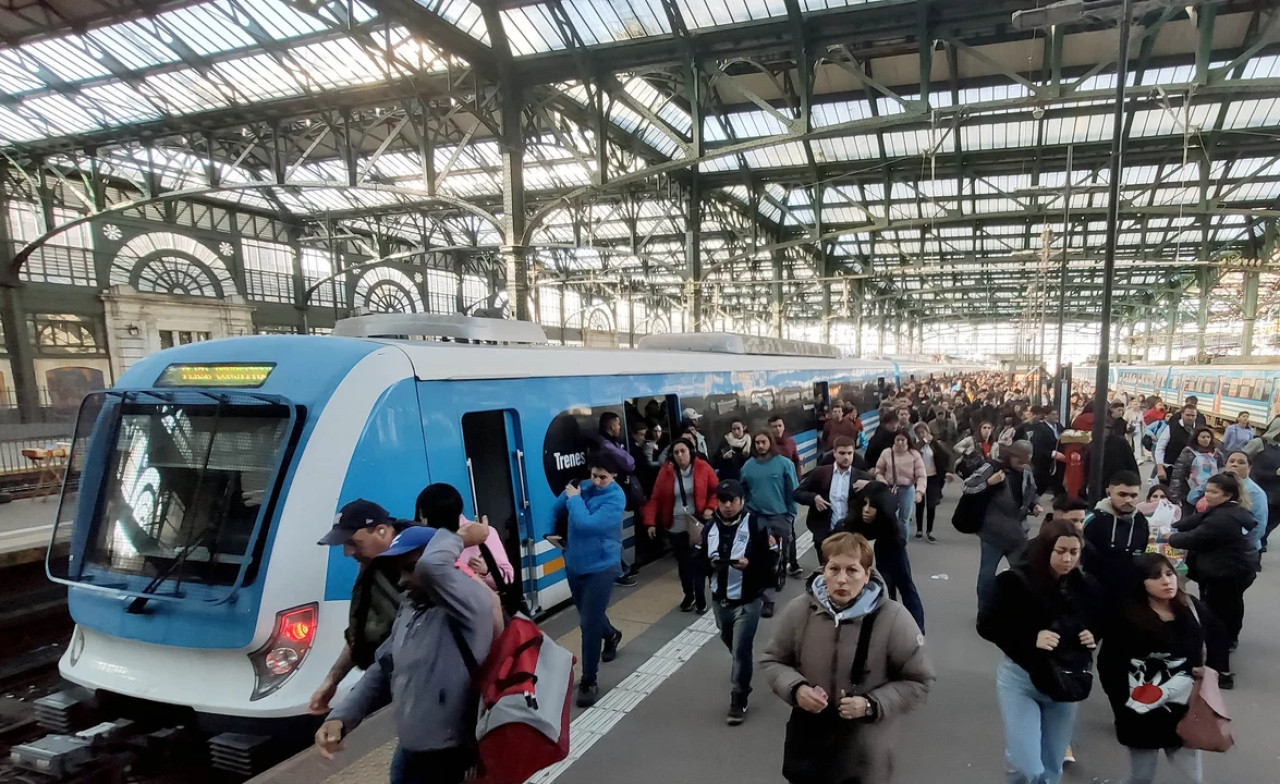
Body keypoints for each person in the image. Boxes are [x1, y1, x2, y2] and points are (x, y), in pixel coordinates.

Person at [317, 521, 496, 784]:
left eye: (410, 569)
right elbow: (382, 667)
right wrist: (342, 718)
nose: (401, 581)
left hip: (451, 756)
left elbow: (431, 567)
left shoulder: (469, 602)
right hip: (410, 752)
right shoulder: (412, 608)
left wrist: (460, 538)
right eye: (398, 571)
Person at [761, 532, 935, 784]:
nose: (842, 579)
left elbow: (919, 680)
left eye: (852, 570)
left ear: (866, 575)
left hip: (863, 749)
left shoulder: (894, 618)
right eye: (834, 569)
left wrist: (870, 704)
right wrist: (797, 689)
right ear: (823, 572)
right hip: (810, 742)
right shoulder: (800, 611)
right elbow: (773, 660)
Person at [977, 519, 1101, 784]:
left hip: (1066, 680)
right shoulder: (1013, 582)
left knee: (1051, 766)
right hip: (1021, 677)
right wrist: (1030, 637)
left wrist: (1090, 634)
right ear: (1046, 549)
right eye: (1061, 551)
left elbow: (1097, 620)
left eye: (1074, 552)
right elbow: (987, 625)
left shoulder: (1086, 587)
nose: (1067, 559)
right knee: (1027, 766)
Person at [1097, 553, 1207, 784]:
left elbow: (1214, 640)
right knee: (1141, 776)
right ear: (1141, 582)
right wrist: (1123, 704)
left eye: (1169, 574)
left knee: (1191, 777)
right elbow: (1109, 666)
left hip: (1183, 708)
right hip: (1141, 712)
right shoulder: (1126, 618)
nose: (1167, 581)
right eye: (1156, 577)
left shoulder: (1188, 609)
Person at [310, 499, 414, 715]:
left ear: (382, 531)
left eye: (353, 542)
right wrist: (332, 680)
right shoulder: (371, 567)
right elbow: (363, 633)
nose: (347, 552)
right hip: (394, 683)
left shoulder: (420, 567)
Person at [1168, 473, 1260, 689]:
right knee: (1232, 610)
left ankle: (1221, 671)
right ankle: (1230, 642)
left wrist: (1168, 536)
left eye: (1213, 492)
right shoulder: (1231, 511)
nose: (1207, 495)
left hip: (1222, 575)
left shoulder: (1222, 519)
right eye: (1207, 490)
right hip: (1237, 572)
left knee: (1215, 622)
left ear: (1227, 495)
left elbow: (1194, 537)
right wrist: (1176, 524)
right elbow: (1196, 520)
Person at [552, 453, 628, 707]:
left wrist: (574, 500)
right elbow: (555, 508)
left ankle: (589, 679)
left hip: (602, 565)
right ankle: (612, 634)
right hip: (574, 563)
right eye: (593, 475)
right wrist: (550, 532)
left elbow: (587, 524)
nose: (596, 481)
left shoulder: (616, 498)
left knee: (588, 623)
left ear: (614, 476)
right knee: (588, 614)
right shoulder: (582, 486)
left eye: (603, 477)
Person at [701, 478, 774, 725]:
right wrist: (707, 564)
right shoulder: (709, 528)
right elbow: (698, 563)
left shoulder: (756, 525)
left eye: (732, 500)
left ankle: (739, 697)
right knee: (730, 641)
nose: (728, 505)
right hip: (720, 600)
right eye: (723, 501)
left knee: (741, 650)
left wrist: (750, 565)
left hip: (748, 600)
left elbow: (768, 565)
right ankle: (742, 669)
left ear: (742, 501)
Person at [963, 440, 1042, 613]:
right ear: (1010, 456)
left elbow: (1032, 491)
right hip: (993, 532)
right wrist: (988, 483)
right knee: (987, 575)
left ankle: (1017, 609)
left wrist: (1034, 504)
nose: (1022, 466)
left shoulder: (1027, 471)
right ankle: (984, 610)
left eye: (1026, 462)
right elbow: (968, 486)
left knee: (1023, 574)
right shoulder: (993, 467)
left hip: (1018, 532)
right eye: (1019, 461)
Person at [643, 438, 717, 613]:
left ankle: (700, 597)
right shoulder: (666, 472)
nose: (680, 455)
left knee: (699, 560)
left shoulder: (703, 468)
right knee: (683, 563)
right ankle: (688, 594)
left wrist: (710, 508)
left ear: (690, 451)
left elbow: (716, 490)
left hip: (697, 522)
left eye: (683, 451)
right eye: (676, 453)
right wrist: (650, 522)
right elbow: (655, 498)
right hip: (675, 524)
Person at [842, 482, 926, 632]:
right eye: (865, 504)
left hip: (887, 565)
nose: (866, 510)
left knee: (904, 587)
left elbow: (907, 590)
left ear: (882, 508)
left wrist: (918, 632)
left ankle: (915, 631)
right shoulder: (850, 525)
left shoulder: (892, 533)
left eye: (872, 506)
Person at [740, 429, 800, 617]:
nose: (760, 445)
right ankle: (768, 599)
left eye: (763, 442)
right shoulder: (748, 467)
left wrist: (791, 514)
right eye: (757, 442)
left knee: (778, 557)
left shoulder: (784, 464)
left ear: (770, 443)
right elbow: (743, 491)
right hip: (757, 518)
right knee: (764, 559)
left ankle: (779, 573)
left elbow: (793, 490)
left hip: (780, 516)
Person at [1080, 472, 1148, 601]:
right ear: (1108, 493)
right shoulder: (1093, 520)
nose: (1128, 500)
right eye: (1122, 494)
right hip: (1095, 590)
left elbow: (1141, 551)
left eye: (1133, 495)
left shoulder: (1141, 521)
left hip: (1129, 592)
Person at [794, 436, 870, 550]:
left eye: (850, 453)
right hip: (825, 534)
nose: (846, 457)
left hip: (850, 535)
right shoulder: (820, 473)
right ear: (834, 453)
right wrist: (814, 498)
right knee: (827, 567)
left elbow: (881, 498)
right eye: (842, 453)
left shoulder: (862, 477)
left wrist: (870, 485)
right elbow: (797, 493)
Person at [1192, 451, 1267, 553]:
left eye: (1241, 462)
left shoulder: (1255, 492)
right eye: (1231, 461)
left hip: (1240, 550)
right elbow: (1191, 498)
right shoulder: (1217, 483)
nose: (1234, 464)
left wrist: (1241, 547)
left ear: (1249, 468)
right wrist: (1210, 485)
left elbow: (1259, 526)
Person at [874, 431, 927, 543]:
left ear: (908, 440)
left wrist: (919, 492)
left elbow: (921, 475)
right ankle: (889, 543)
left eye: (903, 440)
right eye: (897, 439)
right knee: (889, 517)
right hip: (889, 488)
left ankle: (902, 545)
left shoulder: (914, 454)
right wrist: (883, 483)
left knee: (904, 520)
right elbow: (878, 471)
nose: (900, 442)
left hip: (907, 489)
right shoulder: (887, 453)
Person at [1244, 415, 1280, 552]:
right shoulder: (1259, 443)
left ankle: (1262, 538)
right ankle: (1257, 543)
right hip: (1261, 488)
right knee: (1260, 519)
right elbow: (1242, 459)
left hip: (1277, 490)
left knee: (1274, 520)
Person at [1081, 417, 1140, 497]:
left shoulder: (1120, 443)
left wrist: (1135, 482)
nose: (1104, 431)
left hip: (1118, 484)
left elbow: (1131, 464)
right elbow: (1086, 469)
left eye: (1107, 428)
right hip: (1098, 485)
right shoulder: (1091, 445)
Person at [913, 422, 952, 542]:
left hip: (933, 477)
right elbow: (913, 452)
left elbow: (945, 455)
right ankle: (919, 529)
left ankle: (929, 530)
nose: (921, 435)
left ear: (927, 432)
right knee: (920, 504)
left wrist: (932, 441)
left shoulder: (934, 445)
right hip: (920, 477)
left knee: (931, 505)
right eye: (918, 433)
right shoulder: (915, 445)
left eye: (923, 432)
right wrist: (922, 442)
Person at [1170, 427, 1221, 513]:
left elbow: (1222, 470)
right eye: (1203, 437)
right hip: (1189, 490)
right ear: (1196, 438)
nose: (1206, 439)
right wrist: (1175, 495)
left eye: (1208, 437)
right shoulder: (1188, 452)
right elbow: (1178, 473)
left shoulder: (1216, 453)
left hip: (1210, 491)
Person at [1154, 405, 1200, 486]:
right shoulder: (1172, 427)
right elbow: (1160, 447)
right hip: (1170, 469)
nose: (1190, 418)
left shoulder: (1198, 430)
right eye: (1188, 415)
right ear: (1182, 414)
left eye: (1193, 416)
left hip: (1190, 473)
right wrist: (1160, 468)